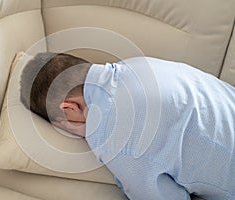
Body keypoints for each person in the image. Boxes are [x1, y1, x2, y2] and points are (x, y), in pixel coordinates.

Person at [20, 52, 235, 200]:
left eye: (62, 124)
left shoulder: (113, 138)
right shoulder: (137, 65)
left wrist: (93, 133)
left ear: (70, 108)